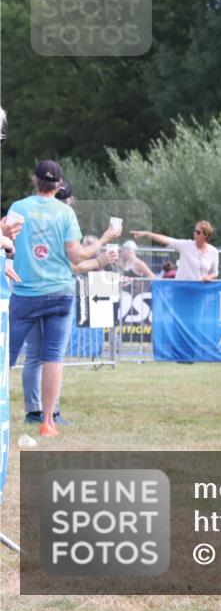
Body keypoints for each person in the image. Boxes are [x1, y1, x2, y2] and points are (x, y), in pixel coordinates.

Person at [6, 160, 121, 437]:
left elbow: (5, 241)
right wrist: (105, 238)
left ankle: (33, 414)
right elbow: (78, 257)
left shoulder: (18, 208)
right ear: (58, 186)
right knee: (52, 358)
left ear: (35, 180)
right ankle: (48, 421)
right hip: (59, 293)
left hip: (25, 292)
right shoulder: (65, 213)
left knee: (5, 356)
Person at [130, 221, 219, 282]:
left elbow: (215, 272)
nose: (195, 234)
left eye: (198, 232)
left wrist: (209, 277)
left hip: (199, 292)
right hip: (180, 290)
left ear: (206, 235)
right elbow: (166, 240)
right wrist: (147, 234)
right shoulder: (186, 245)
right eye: (194, 231)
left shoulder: (213, 252)